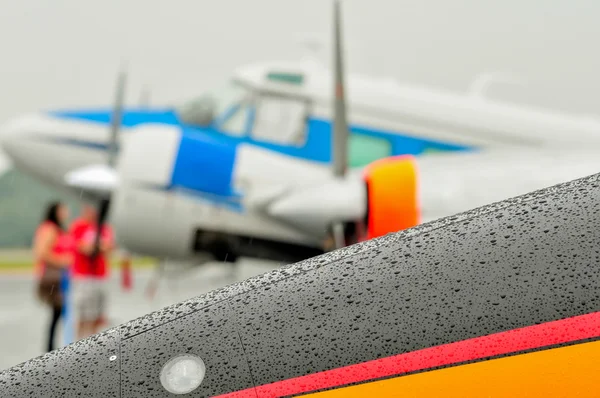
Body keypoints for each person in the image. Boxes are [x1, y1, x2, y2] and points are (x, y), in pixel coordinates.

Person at [69, 203, 115, 340]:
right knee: (83, 315)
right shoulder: (79, 226)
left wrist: (96, 247)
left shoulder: (103, 227)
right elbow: (84, 248)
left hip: (100, 276)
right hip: (83, 276)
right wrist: (99, 246)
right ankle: (78, 343)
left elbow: (109, 248)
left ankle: (92, 341)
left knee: (97, 316)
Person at [33, 201, 73, 352]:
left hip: (60, 277)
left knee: (59, 314)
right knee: (58, 313)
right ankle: (50, 349)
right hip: (53, 278)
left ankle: (53, 347)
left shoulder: (58, 229)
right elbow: (41, 252)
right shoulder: (49, 229)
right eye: (63, 210)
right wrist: (62, 261)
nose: (66, 213)